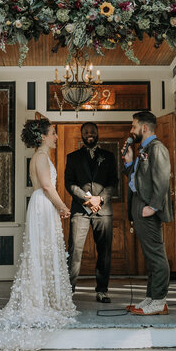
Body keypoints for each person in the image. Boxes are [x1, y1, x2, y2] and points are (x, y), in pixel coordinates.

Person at [0, 118, 77, 351]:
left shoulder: (37, 157)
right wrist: (63, 207)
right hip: (44, 204)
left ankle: (44, 297)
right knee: (43, 249)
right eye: (53, 133)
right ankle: (42, 301)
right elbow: (47, 186)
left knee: (43, 250)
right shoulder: (42, 157)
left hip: (40, 204)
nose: (56, 137)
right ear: (43, 136)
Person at [123, 111, 173, 315]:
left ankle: (159, 301)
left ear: (144, 128)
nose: (131, 130)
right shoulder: (143, 149)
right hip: (138, 204)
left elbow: (162, 180)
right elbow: (138, 178)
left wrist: (152, 207)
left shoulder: (157, 148)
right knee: (149, 256)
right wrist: (128, 162)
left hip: (148, 208)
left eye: (133, 126)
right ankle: (151, 297)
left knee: (156, 255)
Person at [64, 122, 118, 303]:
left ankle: (102, 290)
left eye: (92, 131)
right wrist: (89, 199)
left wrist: (100, 199)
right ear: (81, 135)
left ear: (97, 133)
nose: (90, 134)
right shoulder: (72, 157)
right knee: (75, 251)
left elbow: (113, 182)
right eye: (86, 132)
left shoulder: (109, 157)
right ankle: (68, 291)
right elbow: (69, 183)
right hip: (81, 210)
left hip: (103, 211)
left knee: (104, 251)